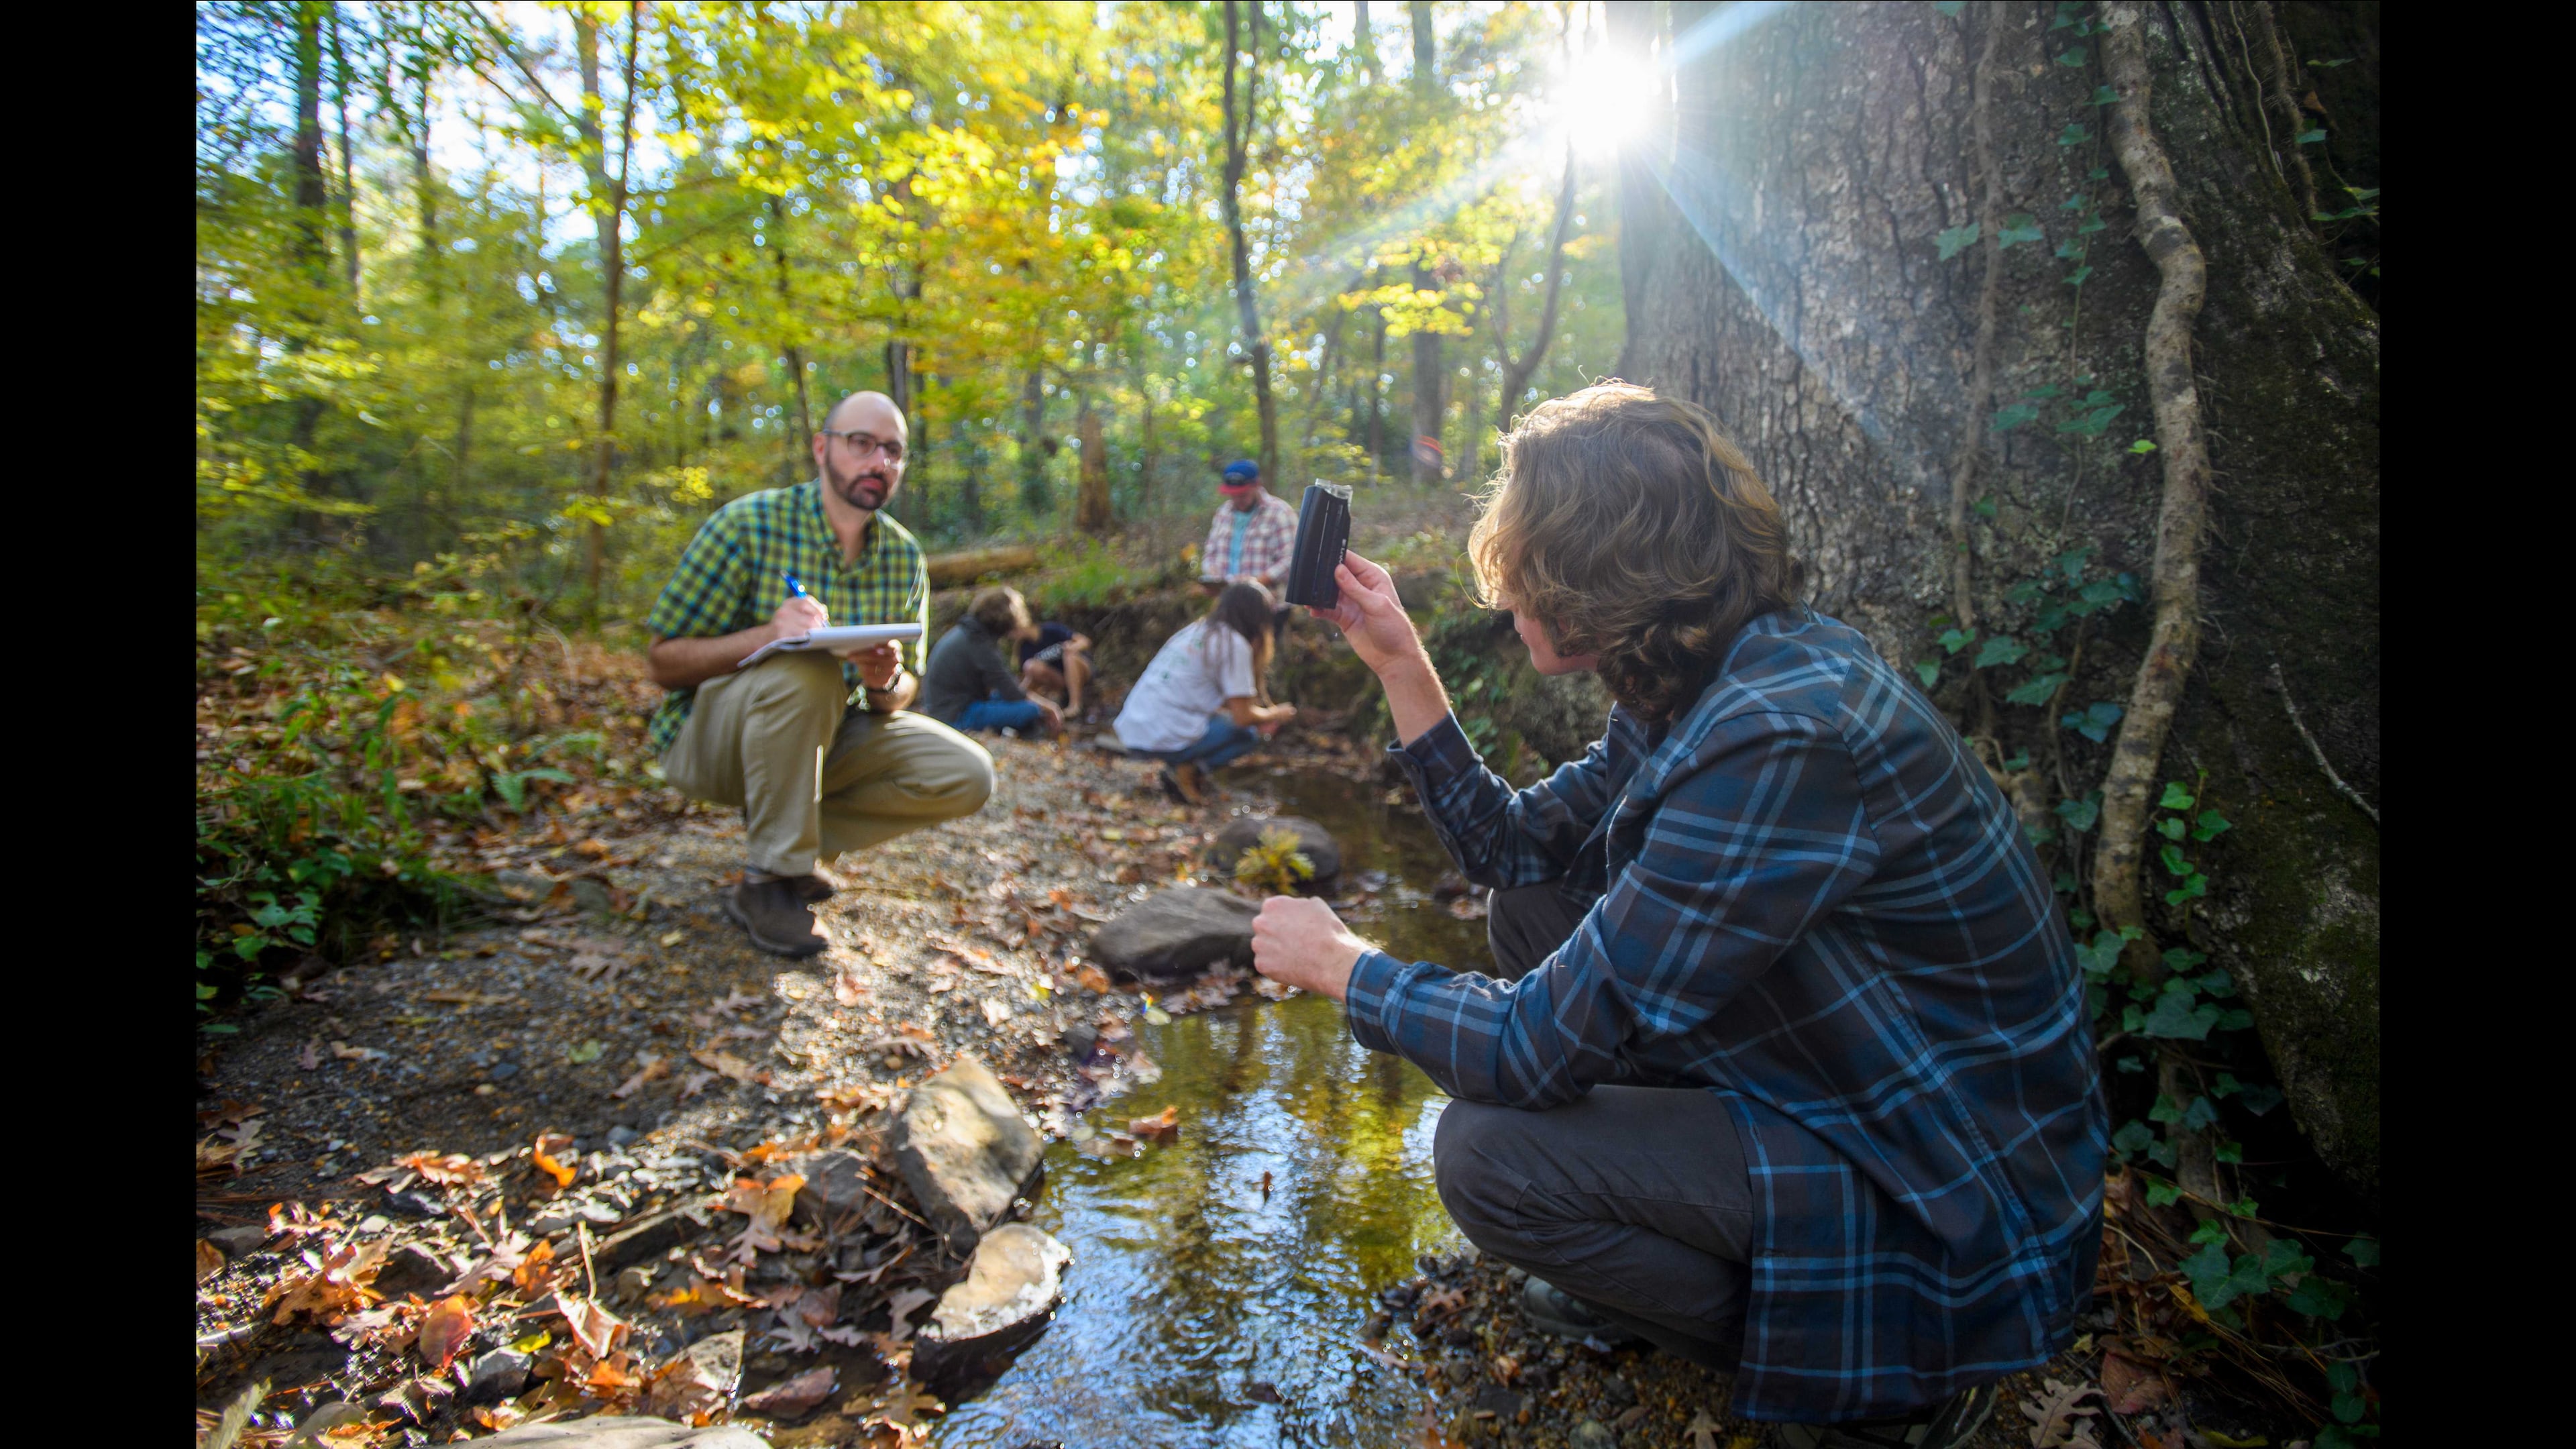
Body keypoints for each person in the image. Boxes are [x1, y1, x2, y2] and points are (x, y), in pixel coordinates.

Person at [1246, 383, 2105, 1448]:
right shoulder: (1703, 678)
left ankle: (1889, 1383)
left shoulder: (1777, 737)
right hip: (1848, 1080)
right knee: (1533, 908)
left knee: (1484, 1158)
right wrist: (1401, 663)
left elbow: (1526, 1050)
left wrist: (1346, 966)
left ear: (1596, 583)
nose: (1505, 604)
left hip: (1949, 1186)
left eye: (1521, 576)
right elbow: (1513, 848)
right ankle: (1680, 1268)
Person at [643, 391, 996, 959]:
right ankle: (769, 883)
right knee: (806, 670)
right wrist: (767, 637)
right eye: (862, 444)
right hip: (710, 744)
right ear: (821, 447)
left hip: (824, 739)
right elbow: (662, 662)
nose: (878, 462)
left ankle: (795, 850)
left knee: (967, 772)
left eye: (894, 452)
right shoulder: (747, 525)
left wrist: (885, 679)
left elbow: (905, 692)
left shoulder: (904, 556)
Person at [1112, 580, 1296, 806]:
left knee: (1225, 721)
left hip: (1133, 729)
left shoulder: (1196, 629)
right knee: (1246, 734)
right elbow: (1243, 716)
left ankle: (1183, 768)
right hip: (1159, 737)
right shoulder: (1234, 644)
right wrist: (1277, 714)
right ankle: (1186, 769)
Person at [922, 586, 1065, 738]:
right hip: (955, 716)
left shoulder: (969, 632)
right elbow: (1012, 693)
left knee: (1006, 701)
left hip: (947, 707)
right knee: (1031, 710)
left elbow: (1006, 689)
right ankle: (1035, 738)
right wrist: (1047, 707)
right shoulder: (979, 644)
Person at [1196, 459, 1299, 597]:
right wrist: (1213, 576)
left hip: (1268, 603)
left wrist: (1258, 581)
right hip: (1228, 601)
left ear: (1257, 485)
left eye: (1243, 494)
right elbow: (1210, 554)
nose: (1238, 499)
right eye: (1233, 495)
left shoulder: (1280, 513)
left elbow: (1292, 559)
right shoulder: (1223, 513)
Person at [1015, 620, 1093, 716]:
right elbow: (1028, 679)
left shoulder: (1050, 630)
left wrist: (1072, 647)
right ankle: (1057, 698)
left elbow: (1085, 641)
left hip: (1081, 671)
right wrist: (1017, 695)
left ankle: (1075, 705)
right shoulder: (1024, 648)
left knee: (1069, 656)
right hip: (1059, 680)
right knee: (1030, 666)